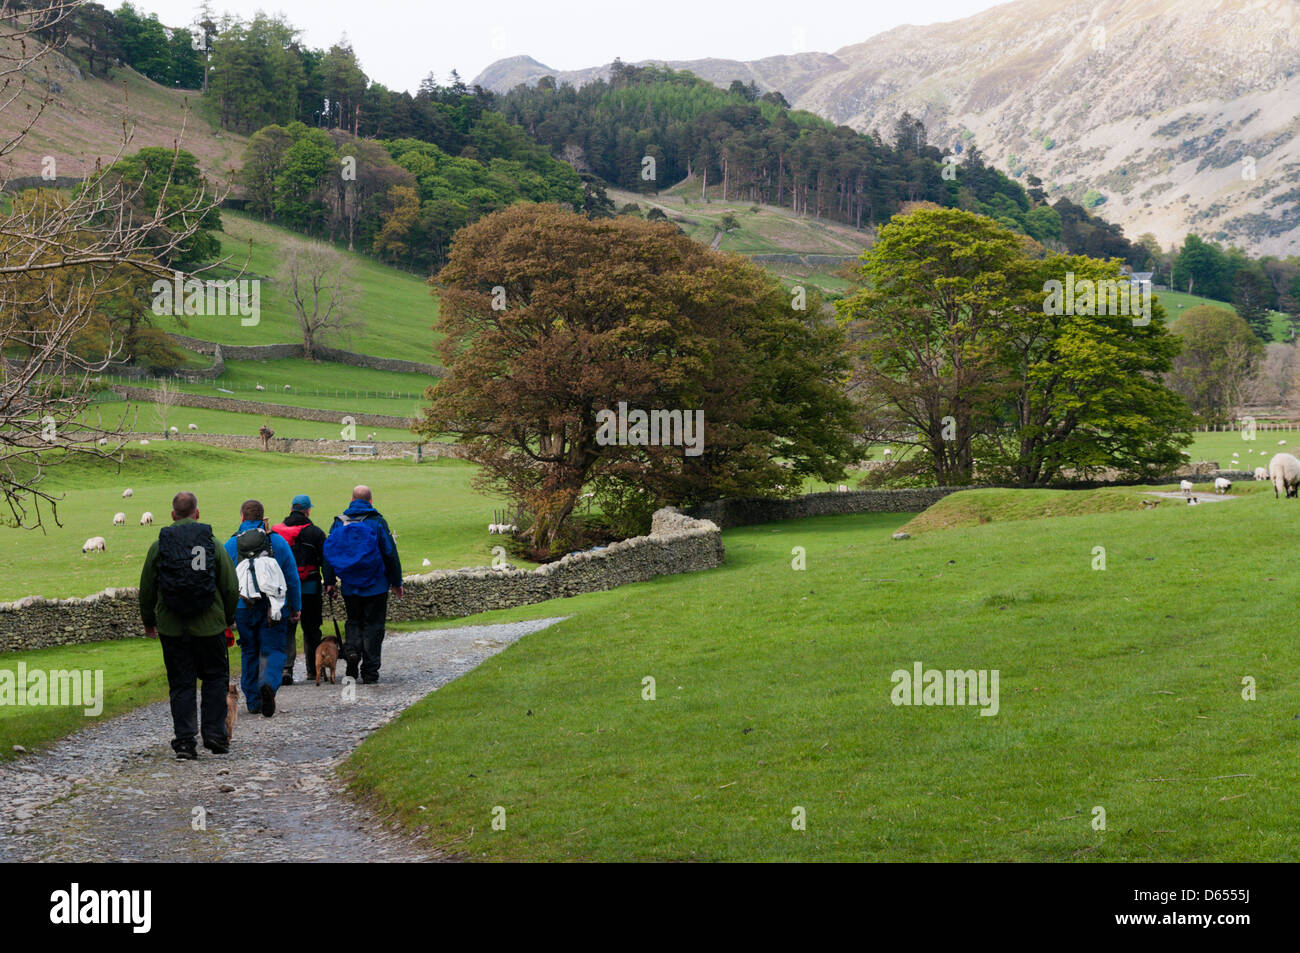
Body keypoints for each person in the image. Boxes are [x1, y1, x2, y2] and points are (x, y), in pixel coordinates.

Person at [139, 492, 239, 760]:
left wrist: (149, 621)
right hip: (209, 627)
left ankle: (185, 743)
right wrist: (227, 617)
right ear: (197, 513)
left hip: (174, 628)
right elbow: (230, 586)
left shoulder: (159, 546)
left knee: (181, 684)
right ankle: (215, 736)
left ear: (172, 515)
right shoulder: (213, 544)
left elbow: (147, 588)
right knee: (215, 679)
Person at [225, 499, 301, 718]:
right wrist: (295, 606)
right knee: (273, 649)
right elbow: (291, 577)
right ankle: (268, 683)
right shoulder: (276, 542)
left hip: (243, 606)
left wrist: (226, 613)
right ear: (263, 517)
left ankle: (252, 700)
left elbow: (223, 581)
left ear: (242, 517)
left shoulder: (231, 544)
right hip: (272, 607)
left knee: (249, 651)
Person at [323, 485, 402, 684]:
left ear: (351, 500)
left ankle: (351, 652)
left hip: (350, 585)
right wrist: (396, 582)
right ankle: (370, 671)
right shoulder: (377, 522)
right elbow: (389, 553)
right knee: (374, 626)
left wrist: (330, 582)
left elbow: (330, 553)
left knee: (354, 621)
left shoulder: (339, 523)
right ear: (371, 501)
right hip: (376, 584)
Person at [272, 494, 328, 685]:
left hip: (284, 589)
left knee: (287, 628)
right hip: (310, 587)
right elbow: (325, 561)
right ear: (308, 510)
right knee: (311, 628)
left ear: (291, 509)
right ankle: (314, 669)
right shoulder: (316, 533)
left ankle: (286, 669)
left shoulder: (276, 533)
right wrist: (329, 582)